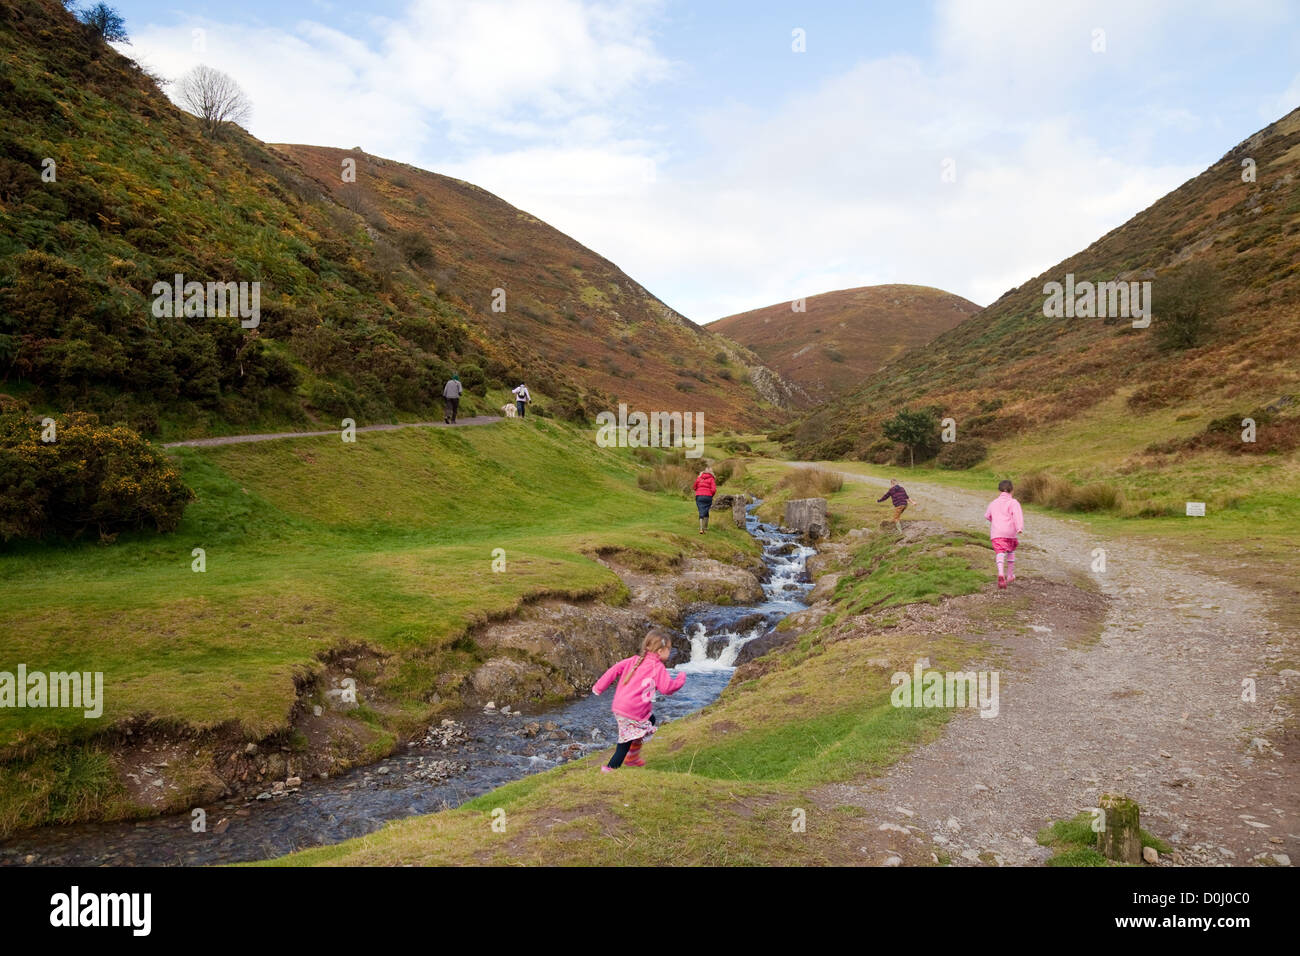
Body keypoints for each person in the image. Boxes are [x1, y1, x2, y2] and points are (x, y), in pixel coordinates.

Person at [591, 629, 685, 771]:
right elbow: (667, 688)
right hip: (632, 711)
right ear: (660, 651)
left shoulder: (634, 660)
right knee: (624, 743)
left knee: (650, 719)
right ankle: (610, 769)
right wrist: (680, 678)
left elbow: (613, 670)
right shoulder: (657, 667)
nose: (669, 653)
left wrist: (599, 687)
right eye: (669, 649)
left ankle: (632, 756)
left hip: (620, 707)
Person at [984, 479, 1025, 589]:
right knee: (1011, 551)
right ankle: (1010, 575)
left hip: (997, 532)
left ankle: (1001, 573)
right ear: (1012, 490)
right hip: (1010, 532)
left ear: (999, 490)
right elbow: (1017, 516)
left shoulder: (993, 503)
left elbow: (987, 515)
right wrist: (1019, 528)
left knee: (1000, 552)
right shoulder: (1013, 502)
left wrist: (995, 520)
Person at [693, 466, 717, 534]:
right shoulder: (711, 479)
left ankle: (702, 528)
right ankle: (704, 528)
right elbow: (714, 489)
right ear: (711, 472)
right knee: (705, 510)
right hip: (708, 497)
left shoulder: (699, 478)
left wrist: (698, 491)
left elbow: (694, 487)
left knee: (701, 511)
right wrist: (711, 495)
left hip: (699, 496)